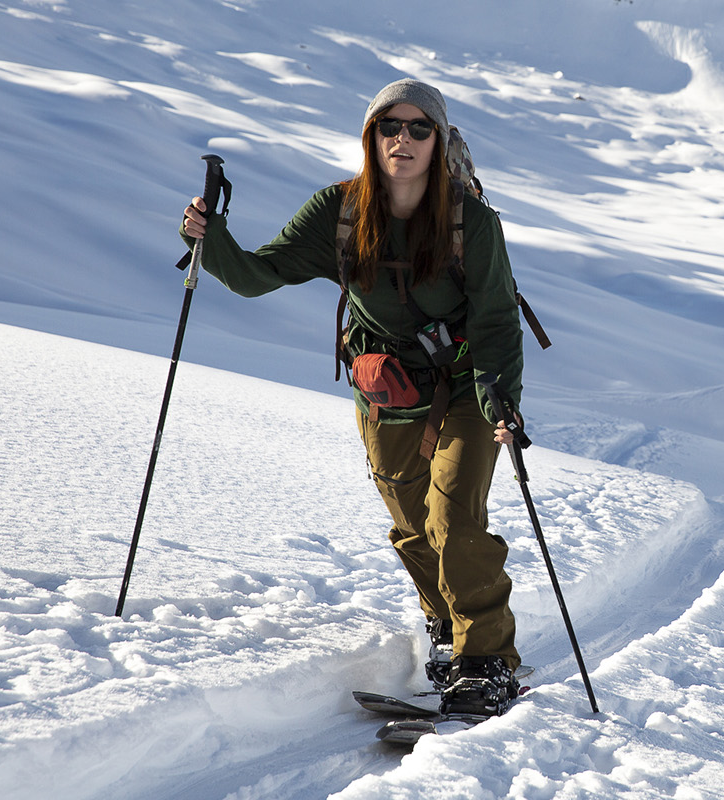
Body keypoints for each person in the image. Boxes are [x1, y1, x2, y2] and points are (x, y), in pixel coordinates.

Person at [181, 78, 524, 716]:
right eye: (389, 127)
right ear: (371, 138)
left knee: (453, 518)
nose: (403, 139)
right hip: (387, 389)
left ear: (439, 139)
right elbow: (259, 276)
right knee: (413, 525)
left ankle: (486, 663)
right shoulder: (339, 211)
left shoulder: (468, 221)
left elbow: (498, 318)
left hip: (466, 388)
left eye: (420, 127)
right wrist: (211, 237)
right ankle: (448, 631)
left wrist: (500, 399)